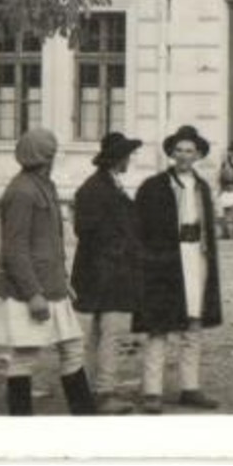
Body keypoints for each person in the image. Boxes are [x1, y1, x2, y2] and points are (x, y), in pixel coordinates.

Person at [0, 127, 97, 415]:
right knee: (24, 357)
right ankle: (22, 421)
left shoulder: (44, 185)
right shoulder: (22, 191)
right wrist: (33, 294)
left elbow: (51, 241)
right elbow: (15, 250)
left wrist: (63, 281)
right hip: (29, 290)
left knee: (73, 348)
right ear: (40, 157)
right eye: (48, 154)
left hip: (52, 286)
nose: (52, 159)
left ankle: (85, 415)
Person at [133, 125, 222, 413]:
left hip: (196, 258)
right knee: (159, 327)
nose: (184, 156)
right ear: (172, 153)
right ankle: (152, 391)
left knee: (193, 325)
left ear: (198, 155)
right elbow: (140, 230)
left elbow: (208, 227)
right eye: (179, 150)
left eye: (190, 151)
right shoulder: (154, 186)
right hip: (165, 263)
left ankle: (190, 387)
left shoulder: (202, 187)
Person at [71, 130, 144, 414]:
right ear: (117, 159)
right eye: (127, 156)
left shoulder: (108, 185)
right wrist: (122, 251)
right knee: (109, 334)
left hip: (100, 274)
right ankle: (103, 392)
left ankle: (91, 390)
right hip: (107, 275)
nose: (130, 160)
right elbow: (87, 231)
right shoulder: (95, 189)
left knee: (99, 334)